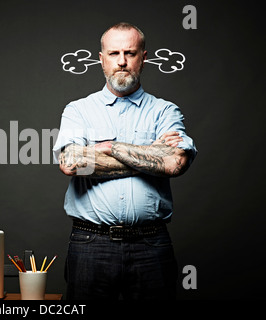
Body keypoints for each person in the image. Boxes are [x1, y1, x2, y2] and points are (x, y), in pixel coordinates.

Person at [53, 22, 197, 300]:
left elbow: (175, 163)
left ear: (144, 57)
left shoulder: (164, 111)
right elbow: (71, 163)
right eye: (114, 53)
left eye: (130, 53)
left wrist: (110, 147)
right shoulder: (78, 110)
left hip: (151, 244)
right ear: (101, 59)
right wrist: (149, 154)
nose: (122, 62)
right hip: (90, 244)